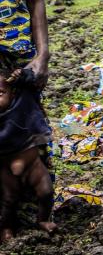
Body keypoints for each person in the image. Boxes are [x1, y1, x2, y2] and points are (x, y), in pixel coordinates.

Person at [0, 0, 53, 241]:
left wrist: (41, 55)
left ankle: (40, 211)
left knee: (28, 131)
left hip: (17, 52)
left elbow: (36, 0)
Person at [1, 70, 54, 241]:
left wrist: (22, 75)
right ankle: (6, 228)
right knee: (8, 200)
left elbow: (32, 81)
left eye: (0, 93)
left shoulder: (22, 102)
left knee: (46, 192)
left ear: (12, 92)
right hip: (6, 168)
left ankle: (43, 220)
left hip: (33, 165)